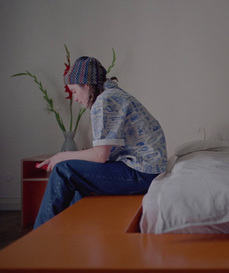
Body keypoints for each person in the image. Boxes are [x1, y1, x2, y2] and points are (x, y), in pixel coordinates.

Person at [34, 56, 167, 229]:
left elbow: (100, 156)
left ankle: (41, 234)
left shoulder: (104, 101)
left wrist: (62, 156)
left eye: (74, 91)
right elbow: (106, 152)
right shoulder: (113, 95)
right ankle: (72, 233)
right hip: (147, 170)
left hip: (142, 174)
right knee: (78, 178)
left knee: (63, 170)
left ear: (87, 85)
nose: (75, 98)